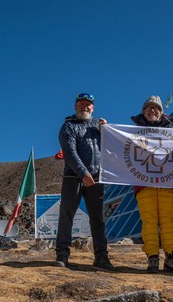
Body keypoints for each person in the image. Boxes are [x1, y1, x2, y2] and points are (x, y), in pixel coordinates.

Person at [55, 92, 115, 271]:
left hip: (97, 179)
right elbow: (70, 153)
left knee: (97, 218)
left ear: (93, 108)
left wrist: (108, 132)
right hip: (73, 177)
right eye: (80, 104)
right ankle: (62, 255)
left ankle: (101, 257)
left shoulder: (99, 127)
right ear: (75, 107)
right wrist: (83, 173)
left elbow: (114, 150)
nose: (84, 107)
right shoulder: (68, 127)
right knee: (67, 215)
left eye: (87, 104)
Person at [131, 96, 173, 274]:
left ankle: (171, 258)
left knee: (168, 221)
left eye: (156, 108)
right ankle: (152, 257)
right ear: (143, 111)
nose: (152, 111)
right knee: (149, 221)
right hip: (144, 184)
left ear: (161, 112)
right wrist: (105, 130)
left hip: (168, 183)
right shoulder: (132, 132)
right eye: (149, 108)